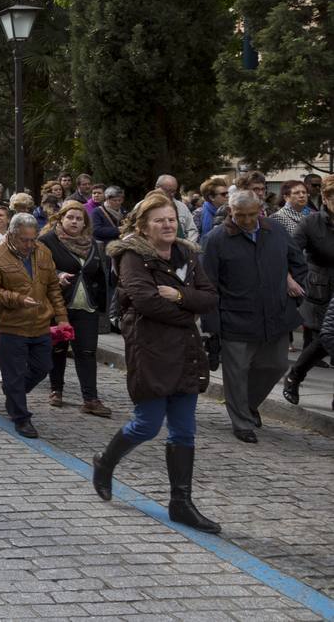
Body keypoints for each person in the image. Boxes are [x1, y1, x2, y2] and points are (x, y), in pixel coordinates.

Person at [94, 192, 220, 532]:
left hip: (186, 350)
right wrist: (187, 312)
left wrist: (179, 296)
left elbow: (209, 297)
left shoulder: (188, 254)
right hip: (150, 349)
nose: (167, 224)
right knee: (147, 425)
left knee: (184, 429)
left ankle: (181, 502)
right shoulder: (132, 256)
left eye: (171, 219)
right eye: (159, 220)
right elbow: (146, 301)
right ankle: (105, 462)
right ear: (143, 226)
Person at [201, 190, 306, 443]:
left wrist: (297, 291)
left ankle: (247, 405)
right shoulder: (216, 239)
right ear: (230, 212)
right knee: (236, 373)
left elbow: (298, 263)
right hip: (235, 318)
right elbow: (208, 284)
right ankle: (242, 422)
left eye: (251, 214)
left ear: (260, 210)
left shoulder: (275, 231)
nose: (247, 221)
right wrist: (212, 325)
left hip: (276, 315)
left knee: (277, 364)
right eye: (240, 215)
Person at [0, 212, 66, 438]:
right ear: (12, 234)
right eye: (24, 239)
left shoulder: (43, 252)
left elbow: (53, 288)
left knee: (43, 366)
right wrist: (16, 298)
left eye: (32, 239)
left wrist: (63, 318)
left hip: (40, 323)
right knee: (14, 373)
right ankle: (21, 417)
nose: (29, 244)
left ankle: (13, 392)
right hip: (11, 325)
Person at [38, 202, 110, 417]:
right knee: (58, 348)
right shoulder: (47, 241)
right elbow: (40, 270)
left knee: (86, 352)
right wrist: (58, 275)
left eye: (79, 219)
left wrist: (102, 306)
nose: (74, 222)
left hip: (86, 307)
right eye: (70, 217)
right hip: (58, 306)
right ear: (61, 219)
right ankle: (56, 390)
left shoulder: (93, 244)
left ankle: (90, 399)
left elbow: (99, 275)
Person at [286, 178, 334, 408]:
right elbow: (292, 253)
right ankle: (295, 376)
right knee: (324, 340)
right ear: (326, 199)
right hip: (320, 289)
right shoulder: (310, 222)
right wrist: (292, 280)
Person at [155, 174, 200, 242]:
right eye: (168, 191)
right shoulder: (143, 206)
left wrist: (187, 247)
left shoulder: (182, 207)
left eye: (173, 191)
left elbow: (192, 230)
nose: (172, 194)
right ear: (157, 188)